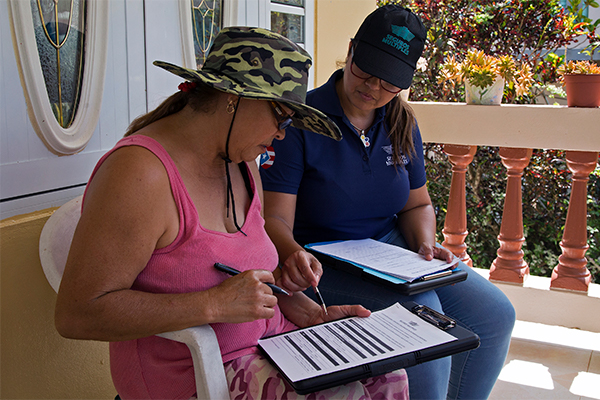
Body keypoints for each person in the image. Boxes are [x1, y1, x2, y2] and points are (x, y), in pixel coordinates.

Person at [54, 27, 409, 399]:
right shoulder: (140, 174)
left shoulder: (241, 162)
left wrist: (306, 312)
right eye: (282, 117)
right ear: (234, 98)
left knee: (388, 374)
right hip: (195, 376)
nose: (283, 134)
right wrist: (212, 304)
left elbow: (238, 275)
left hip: (271, 347)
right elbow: (78, 312)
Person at [260, 6, 516, 400]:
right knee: (427, 320)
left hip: (388, 252)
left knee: (495, 314)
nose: (373, 88)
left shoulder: (400, 122)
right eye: (366, 70)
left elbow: (417, 205)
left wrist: (424, 243)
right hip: (322, 259)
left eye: (390, 80)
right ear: (350, 51)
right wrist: (291, 252)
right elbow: (273, 216)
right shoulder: (301, 121)